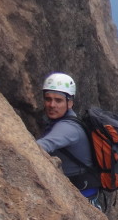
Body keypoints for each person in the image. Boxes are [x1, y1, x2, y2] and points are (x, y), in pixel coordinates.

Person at [35, 72, 102, 208]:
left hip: (82, 197)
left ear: (70, 102)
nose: (52, 104)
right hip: (85, 193)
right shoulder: (64, 121)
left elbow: (41, 146)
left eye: (58, 100)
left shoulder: (68, 128)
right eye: (48, 99)